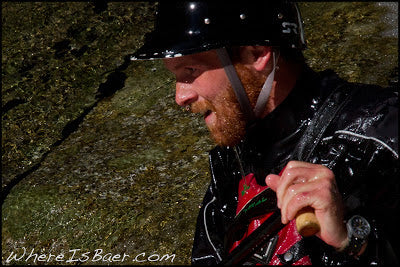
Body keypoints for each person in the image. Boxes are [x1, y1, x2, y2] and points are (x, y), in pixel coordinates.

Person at [130, 1, 399, 265]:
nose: (180, 96)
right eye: (174, 76)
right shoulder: (231, 164)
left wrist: (353, 241)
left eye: (191, 70)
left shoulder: (380, 132)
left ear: (257, 54)